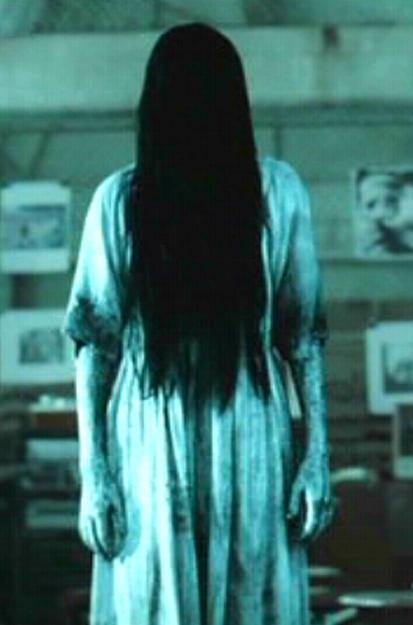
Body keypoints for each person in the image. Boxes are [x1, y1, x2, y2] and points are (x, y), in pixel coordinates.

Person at [63, 23, 332, 625]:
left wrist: (317, 458)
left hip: (244, 426)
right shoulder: (120, 201)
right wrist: (94, 474)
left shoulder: (276, 193)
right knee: (159, 601)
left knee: (247, 593)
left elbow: (302, 335)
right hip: (156, 439)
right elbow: (95, 344)